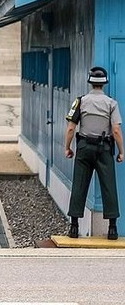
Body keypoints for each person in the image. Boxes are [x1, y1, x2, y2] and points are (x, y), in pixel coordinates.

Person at [64, 66, 123, 240]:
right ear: (104, 83)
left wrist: (68, 148)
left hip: (83, 148)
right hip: (104, 149)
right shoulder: (111, 103)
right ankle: (112, 228)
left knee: (79, 185)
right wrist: (121, 151)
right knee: (109, 186)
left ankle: (74, 226)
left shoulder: (80, 101)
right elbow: (117, 130)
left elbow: (70, 128)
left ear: (90, 82)